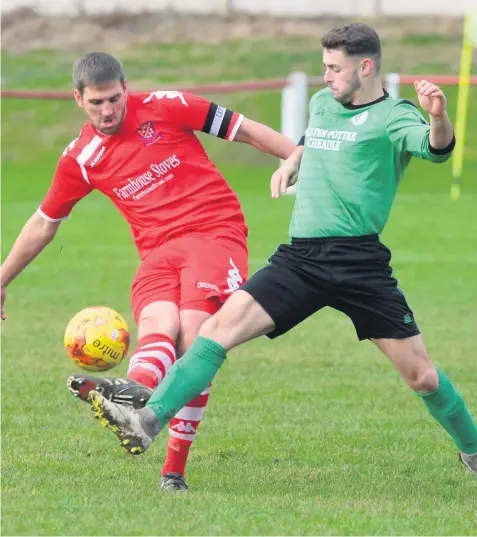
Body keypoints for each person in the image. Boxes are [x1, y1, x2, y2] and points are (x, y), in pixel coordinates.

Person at [87, 24, 477, 479]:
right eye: (324, 67)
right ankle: (147, 421)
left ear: (365, 67)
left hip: (359, 265)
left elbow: (436, 148)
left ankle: (471, 448)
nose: (326, 76)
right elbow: (314, 140)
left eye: (334, 68)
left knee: (422, 377)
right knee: (217, 329)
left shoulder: (394, 116)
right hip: (301, 260)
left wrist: (438, 115)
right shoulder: (322, 104)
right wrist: (292, 162)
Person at [0, 52, 296, 491]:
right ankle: (133, 392)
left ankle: (173, 467)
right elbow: (45, 221)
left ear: (126, 87)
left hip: (214, 231)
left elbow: (244, 129)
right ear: (78, 99)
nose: (108, 110)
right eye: (97, 102)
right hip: (156, 250)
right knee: (159, 323)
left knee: (195, 337)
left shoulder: (166, 105)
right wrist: (3, 277)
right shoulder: (81, 158)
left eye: (115, 99)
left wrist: (300, 156)